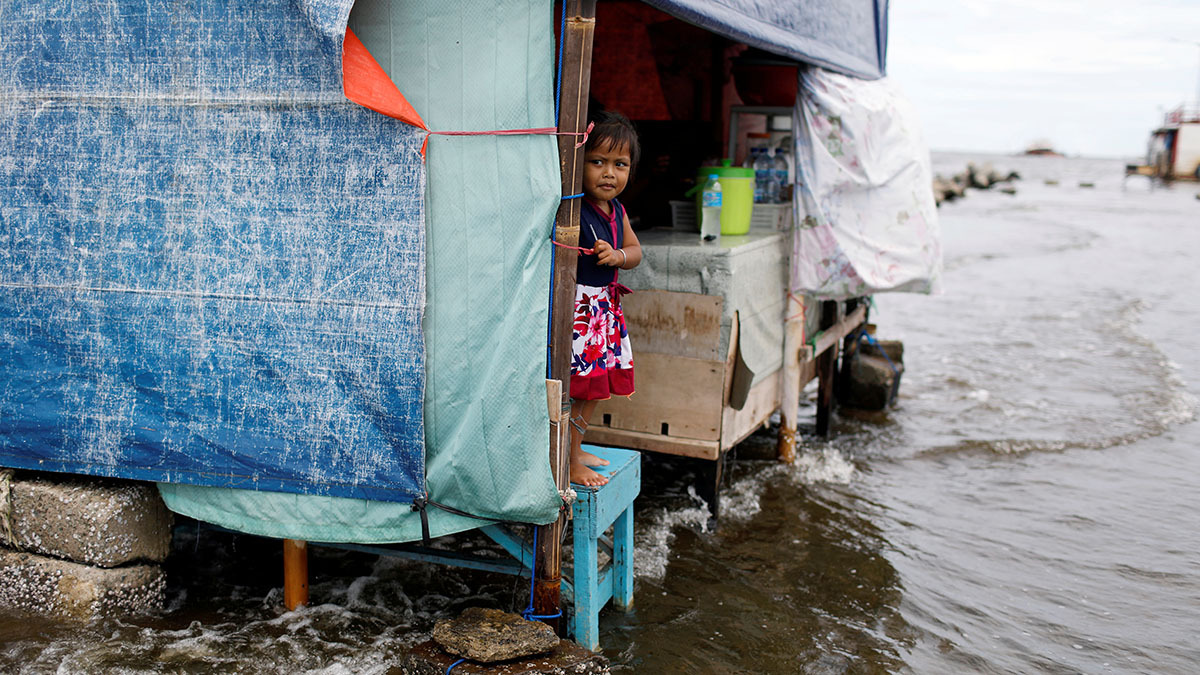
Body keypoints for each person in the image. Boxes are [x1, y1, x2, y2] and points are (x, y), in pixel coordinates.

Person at [569, 111, 642, 487]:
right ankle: (564, 458)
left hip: (605, 313)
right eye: (597, 162)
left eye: (620, 164)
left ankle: (575, 447)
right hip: (580, 314)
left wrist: (618, 256)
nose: (609, 173)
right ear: (579, 162)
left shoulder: (618, 211)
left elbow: (635, 251)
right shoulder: (574, 208)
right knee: (576, 387)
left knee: (595, 388)